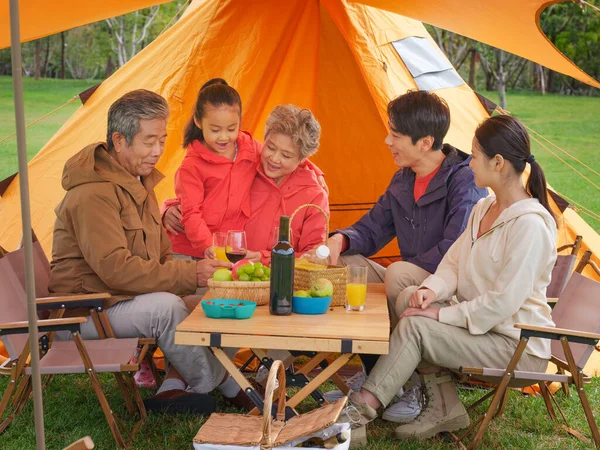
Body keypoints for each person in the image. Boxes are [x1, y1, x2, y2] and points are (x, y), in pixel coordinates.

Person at [339, 114, 557, 440]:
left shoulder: (529, 226)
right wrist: (429, 290)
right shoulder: (484, 208)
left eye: (476, 156)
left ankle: (360, 413)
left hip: (517, 346)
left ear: (498, 163)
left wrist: (439, 313)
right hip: (486, 333)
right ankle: (443, 405)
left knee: (415, 325)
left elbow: (502, 304)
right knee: (408, 297)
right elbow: (453, 263)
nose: (469, 164)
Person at [49, 89, 253, 413]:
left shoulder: (138, 182)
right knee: (167, 308)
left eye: (162, 139)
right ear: (119, 140)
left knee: (221, 299)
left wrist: (197, 276)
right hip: (84, 311)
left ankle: (183, 388)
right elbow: (116, 269)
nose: (158, 150)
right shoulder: (92, 195)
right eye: (149, 141)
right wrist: (190, 273)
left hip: (121, 299)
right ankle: (227, 386)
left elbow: (161, 256)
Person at [323, 90, 487, 417]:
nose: (387, 140)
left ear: (425, 142)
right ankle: (379, 375)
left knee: (398, 273)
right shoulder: (403, 179)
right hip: (409, 283)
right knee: (348, 264)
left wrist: (407, 268)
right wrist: (339, 240)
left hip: (450, 291)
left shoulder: (465, 180)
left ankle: (413, 385)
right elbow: (372, 228)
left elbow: (456, 252)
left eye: (395, 135)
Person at [163, 104, 329, 267]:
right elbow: (199, 188)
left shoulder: (313, 195)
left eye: (286, 155)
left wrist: (264, 258)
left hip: (273, 280)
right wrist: (168, 209)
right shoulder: (248, 163)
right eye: (270, 147)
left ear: (301, 159)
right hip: (221, 267)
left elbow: (313, 257)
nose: (274, 159)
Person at [166, 78, 262, 259]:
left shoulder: (251, 149)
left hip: (230, 251)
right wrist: (209, 248)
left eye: (232, 128)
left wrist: (308, 168)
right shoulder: (191, 166)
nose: (224, 137)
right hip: (192, 251)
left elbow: (278, 157)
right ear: (198, 121)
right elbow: (191, 213)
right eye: (215, 130)